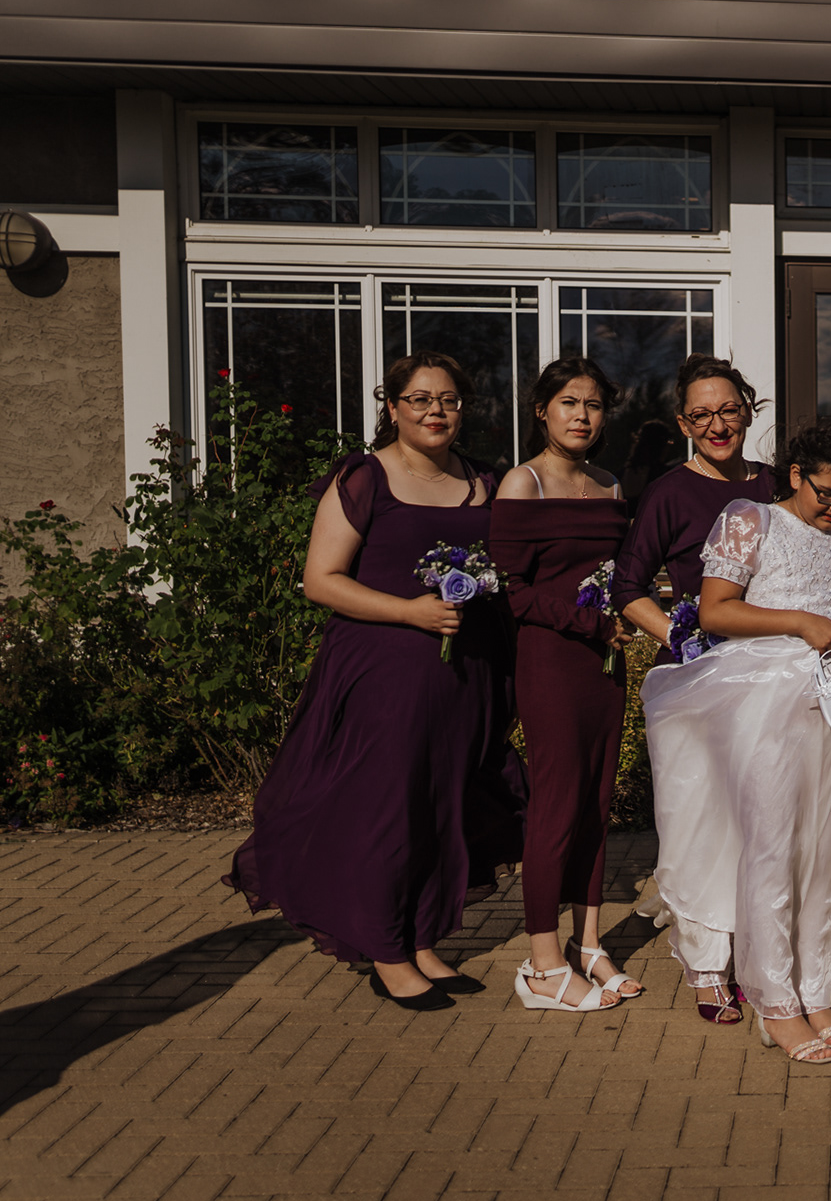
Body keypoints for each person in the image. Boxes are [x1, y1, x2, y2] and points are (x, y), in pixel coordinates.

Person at [224, 351, 519, 1011]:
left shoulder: (484, 480)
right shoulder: (365, 477)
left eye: (448, 400)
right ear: (392, 408)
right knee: (387, 810)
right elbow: (320, 580)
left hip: (464, 672)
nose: (435, 411)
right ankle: (386, 950)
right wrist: (410, 612)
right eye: (420, 399)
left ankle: (421, 938)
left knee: (441, 806)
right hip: (384, 670)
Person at [641, 425, 831, 1063]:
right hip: (760, 700)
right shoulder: (751, 520)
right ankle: (775, 1000)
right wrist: (801, 623)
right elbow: (716, 610)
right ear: (797, 474)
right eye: (827, 493)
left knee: (820, 847)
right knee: (772, 846)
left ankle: (814, 987)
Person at [614, 355, 775, 1024]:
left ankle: (763, 953)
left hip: (773, 674)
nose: (718, 425)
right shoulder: (669, 493)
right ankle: (708, 964)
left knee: (764, 824)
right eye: (702, 415)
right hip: (701, 681)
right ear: (683, 424)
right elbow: (628, 588)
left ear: (748, 411)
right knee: (703, 823)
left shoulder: (777, 485)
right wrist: (683, 640)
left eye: (729, 410)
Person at [491, 356, 637, 1013]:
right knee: (556, 804)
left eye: (594, 404)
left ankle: (589, 944)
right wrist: (590, 622)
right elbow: (510, 591)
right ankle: (542, 965)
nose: (582, 415)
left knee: (596, 802)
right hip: (550, 659)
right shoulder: (522, 483)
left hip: (606, 663)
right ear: (542, 411)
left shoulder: (610, 485)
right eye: (569, 403)